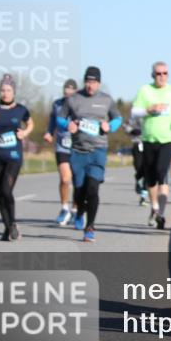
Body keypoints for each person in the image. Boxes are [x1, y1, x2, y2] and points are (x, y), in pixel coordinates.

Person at [57, 66, 122, 242]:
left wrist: (110, 126)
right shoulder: (74, 99)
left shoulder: (106, 100)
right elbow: (60, 117)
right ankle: (79, 212)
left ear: (99, 83)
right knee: (79, 190)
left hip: (98, 151)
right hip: (78, 151)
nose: (90, 85)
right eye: (87, 81)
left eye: (93, 82)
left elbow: (117, 118)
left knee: (93, 188)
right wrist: (67, 125)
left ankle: (90, 227)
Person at [131, 61, 171, 230]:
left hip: (167, 139)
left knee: (162, 174)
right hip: (149, 139)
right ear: (152, 75)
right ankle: (154, 207)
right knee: (151, 179)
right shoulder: (145, 90)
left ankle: (161, 214)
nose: (162, 76)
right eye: (158, 74)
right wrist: (149, 110)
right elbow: (134, 112)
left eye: (165, 73)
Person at [0, 74, 34, 241]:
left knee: (6, 189)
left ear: (14, 92)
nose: (5, 93)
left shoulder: (21, 109)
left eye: (8, 90)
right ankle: (8, 228)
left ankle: (11, 224)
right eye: (3, 90)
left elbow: (30, 123)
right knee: (0, 194)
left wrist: (25, 133)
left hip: (14, 156)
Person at [42, 78, 78, 225]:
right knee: (65, 179)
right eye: (66, 89)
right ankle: (64, 209)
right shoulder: (57, 104)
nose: (68, 92)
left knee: (78, 182)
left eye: (71, 89)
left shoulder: (81, 105)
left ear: (75, 91)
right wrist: (49, 132)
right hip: (62, 146)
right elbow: (53, 120)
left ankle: (76, 210)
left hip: (78, 146)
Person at [123, 114, 149, 204]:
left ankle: (143, 196)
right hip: (138, 145)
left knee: (147, 170)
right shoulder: (134, 115)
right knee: (138, 167)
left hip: (150, 144)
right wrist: (133, 131)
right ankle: (138, 178)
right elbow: (125, 126)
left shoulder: (154, 115)